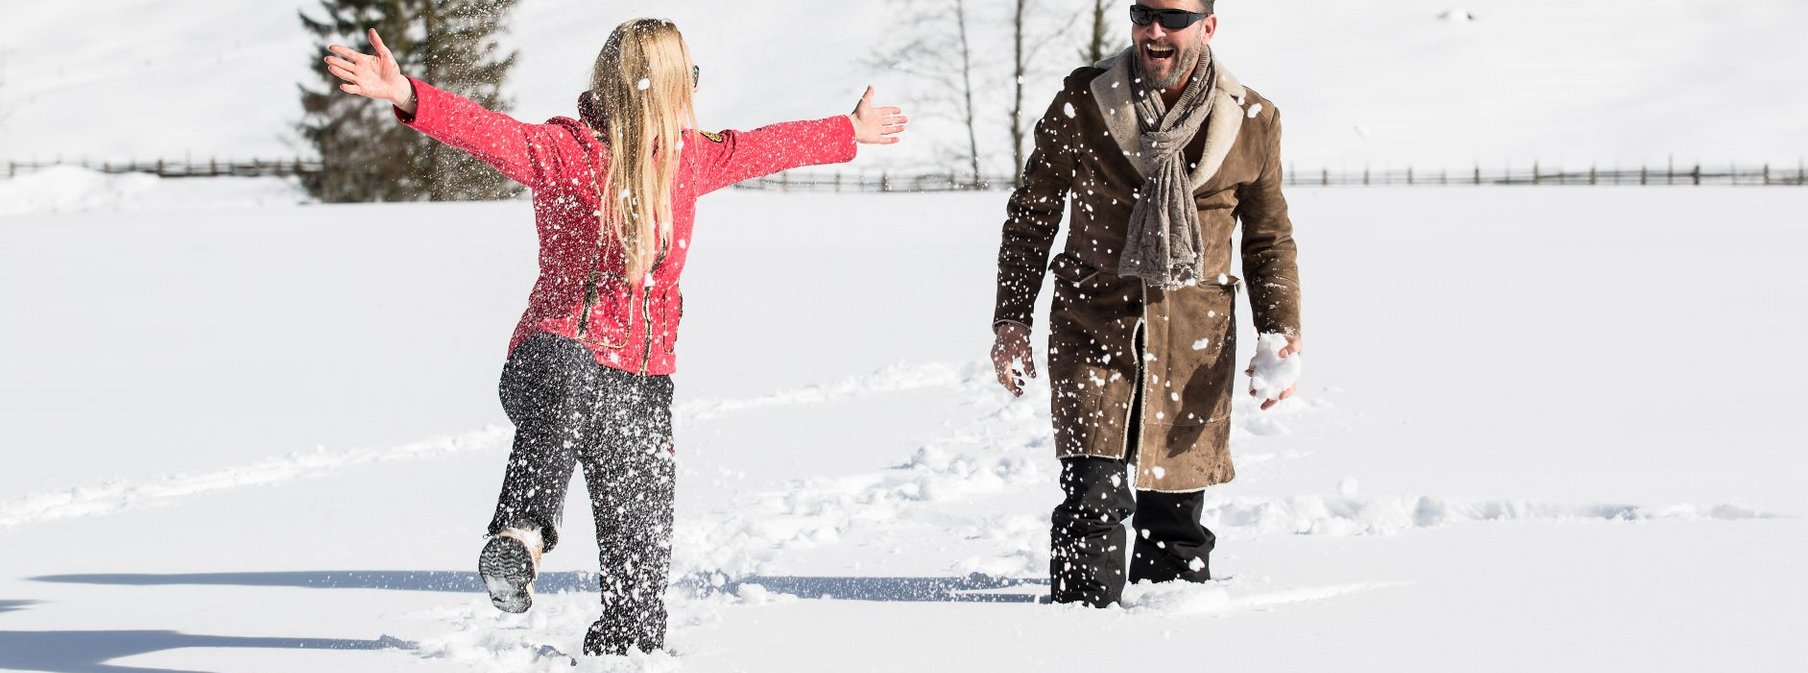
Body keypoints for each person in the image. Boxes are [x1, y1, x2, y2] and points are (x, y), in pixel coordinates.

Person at [322, 19, 908, 655]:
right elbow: (489, 133)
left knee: (641, 551)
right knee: (567, 394)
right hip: (554, 354)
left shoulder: (690, 157)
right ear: (665, 87)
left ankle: (628, 646)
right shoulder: (567, 151)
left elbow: (766, 146)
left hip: (642, 381)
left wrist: (848, 130)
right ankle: (520, 537)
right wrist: (408, 93)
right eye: (689, 80)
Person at [988, 0, 1301, 607]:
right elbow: (1031, 215)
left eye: (1173, 18)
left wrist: (1280, 329)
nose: (1154, 30)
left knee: (1176, 522)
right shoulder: (1085, 100)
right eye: (1142, 13)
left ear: (1207, 28)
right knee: (1091, 502)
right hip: (1092, 323)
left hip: (1193, 339)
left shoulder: (1253, 119)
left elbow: (1268, 236)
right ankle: (1081, 633)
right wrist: (1011, 320)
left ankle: (1168, 645)